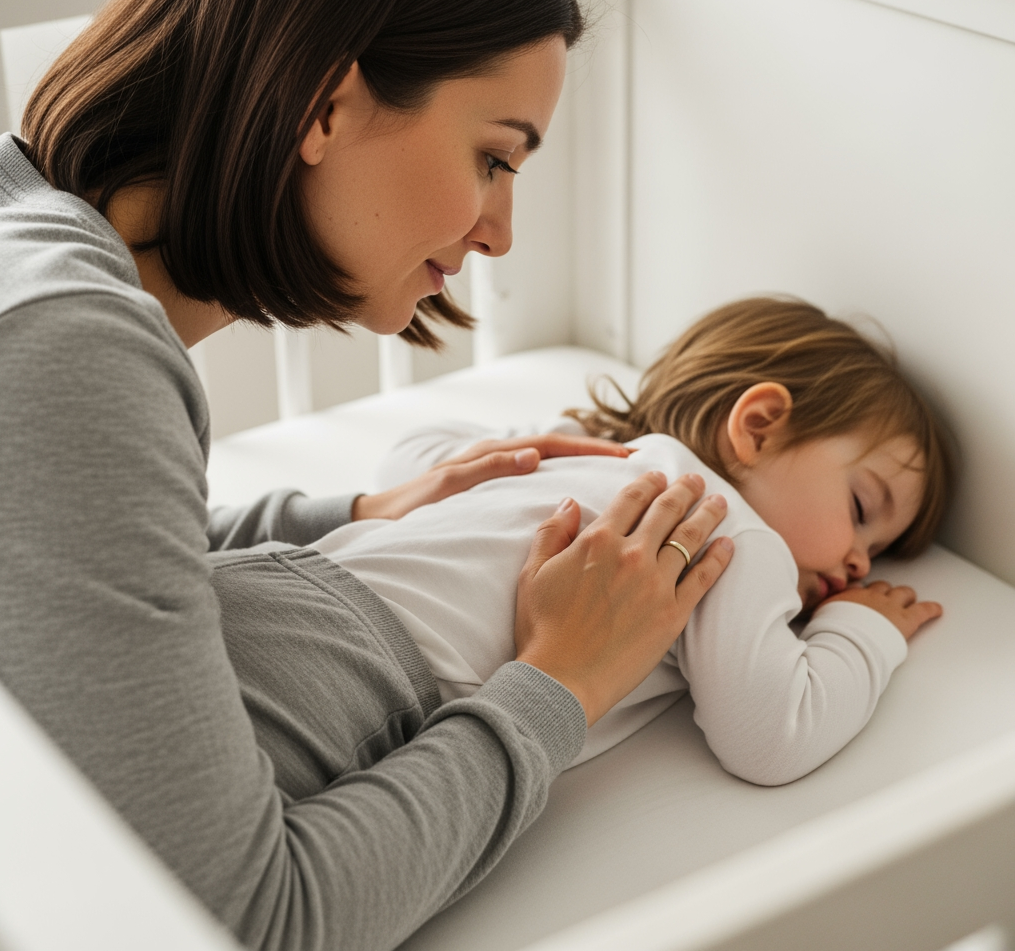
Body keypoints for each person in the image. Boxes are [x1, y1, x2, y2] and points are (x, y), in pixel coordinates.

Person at [0, 0, 735, 949]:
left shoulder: (28, 254)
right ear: (327, 104)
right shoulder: (70, 346)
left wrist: (349, 514)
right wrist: (562, 682)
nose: (499, 232)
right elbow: (249, 921)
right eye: (493, 156)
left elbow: (54, 570)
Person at [314, 298, 954, 785]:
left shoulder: (586, 450)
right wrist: (864, 630)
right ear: (758, 428)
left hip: (310, 577)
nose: (860, 561)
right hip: (377, 685)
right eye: (861, 508)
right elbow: (774, 738)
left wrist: (507, 455)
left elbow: (406, 465)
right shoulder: (732, 537)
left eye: (879, 552)